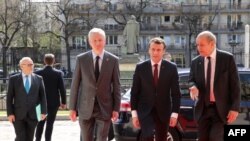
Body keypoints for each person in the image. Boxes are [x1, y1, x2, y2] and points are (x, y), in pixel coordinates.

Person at [69, 27, 121, 141]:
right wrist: (72, 108)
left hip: (105, 108)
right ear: (89, 42)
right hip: (85, 107)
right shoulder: (81, 59)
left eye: (100, 40)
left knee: (101, 139)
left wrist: (116, 108)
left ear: (105, 41)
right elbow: (75, 85)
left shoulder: (113, 60)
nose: (97, 43)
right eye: (94, 40)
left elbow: (117, 86)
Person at [189, 31, 240, 141]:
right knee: (202, 138)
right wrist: (193, 86)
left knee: (215, 138)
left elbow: (235, 86)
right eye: (197, 45)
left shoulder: (227, 59)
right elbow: (191, 80)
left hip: (221, 110)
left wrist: (234, 108)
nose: (198, 48)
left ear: (212, 44)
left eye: (201, 45)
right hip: (203, 109)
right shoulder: (195, 62)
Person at [130, 37, 181, 141]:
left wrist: (175, 114)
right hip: (145, 111)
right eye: (153, 49)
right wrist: (134, 114)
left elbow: (176, 94)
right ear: (149, 50)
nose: (155, 52)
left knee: (161, 138)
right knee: (147, 137)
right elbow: (134, 92)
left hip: (164, 111)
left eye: (158, 50)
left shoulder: (171, 68)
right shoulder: (140, 67)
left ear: (163, 51)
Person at [6, 57, 47, 141]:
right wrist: (10, 113)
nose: (31, 66)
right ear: (21, 66)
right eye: (28, 65)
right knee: (21, 137)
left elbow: (43, 96)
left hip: (33, 115)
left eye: (32, 64)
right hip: (18, 114)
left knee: (29, 138)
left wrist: (43, 111)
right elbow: (9, 97)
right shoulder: (13, 79)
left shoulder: (39, 79)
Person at [35, 53, 66, 141]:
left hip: (40, 102)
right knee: (50, 124)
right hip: (54, 102)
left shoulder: (37, 73)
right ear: (54, 61)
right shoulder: (58, 73)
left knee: (40, 123)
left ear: (44, 61)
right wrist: (63, 102)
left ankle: (37, 139)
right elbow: (62, 89)